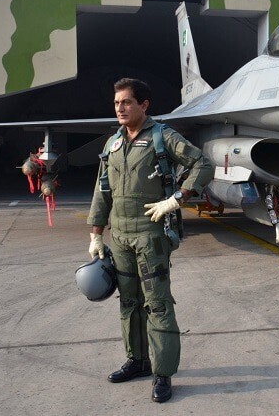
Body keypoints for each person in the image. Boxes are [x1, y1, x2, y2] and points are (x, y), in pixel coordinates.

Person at [87, 78, 214, 403]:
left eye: (126, 102)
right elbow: (102, 190)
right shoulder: (113, 143)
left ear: (143, 105)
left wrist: (177, 199)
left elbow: (202, 164)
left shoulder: (162, 136)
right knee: (129, 302)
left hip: (150, 235)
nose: (120, 108)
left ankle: (163, 373)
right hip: (119, 237)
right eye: (117, 103)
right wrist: (96, 234)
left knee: (157, 304)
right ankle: (137, 361)